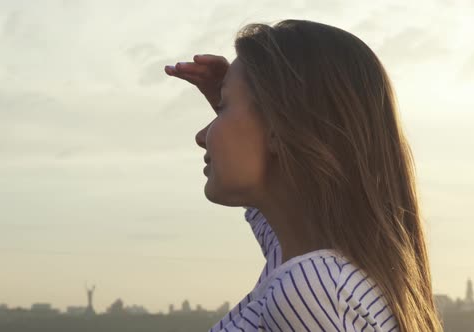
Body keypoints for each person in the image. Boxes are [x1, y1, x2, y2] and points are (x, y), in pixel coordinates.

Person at [164, 19, 443, 332]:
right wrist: (234, 115)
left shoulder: (309, 289)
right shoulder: (328, 272)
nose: (202, 136)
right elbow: (276, 204)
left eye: (225, 105)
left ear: (278, 128)